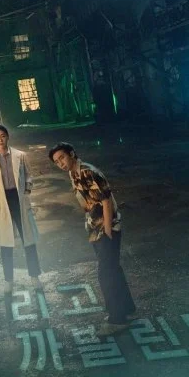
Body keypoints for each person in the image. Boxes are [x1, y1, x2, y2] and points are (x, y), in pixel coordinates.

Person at [48, 142, 136, 336]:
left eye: (62, 158)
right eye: (57, 162)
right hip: (95, 228)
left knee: (106, 274)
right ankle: (126, 309)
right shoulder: (74, 173)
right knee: (113, 269)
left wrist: (108, 231)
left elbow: (106, 200)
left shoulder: (88, 172)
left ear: (72, 154)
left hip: (106, 228)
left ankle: (117, 320)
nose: (60, 163)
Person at [0, 125, 42, 294]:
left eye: (2, 136)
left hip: (18, 199)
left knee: (28, 240)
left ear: (8, 137)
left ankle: (35, 277)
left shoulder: (20, 155)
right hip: (3, 201)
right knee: (5, 243)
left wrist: (27, 191)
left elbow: (28, 175)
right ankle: (8, 280)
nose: (0, 140)